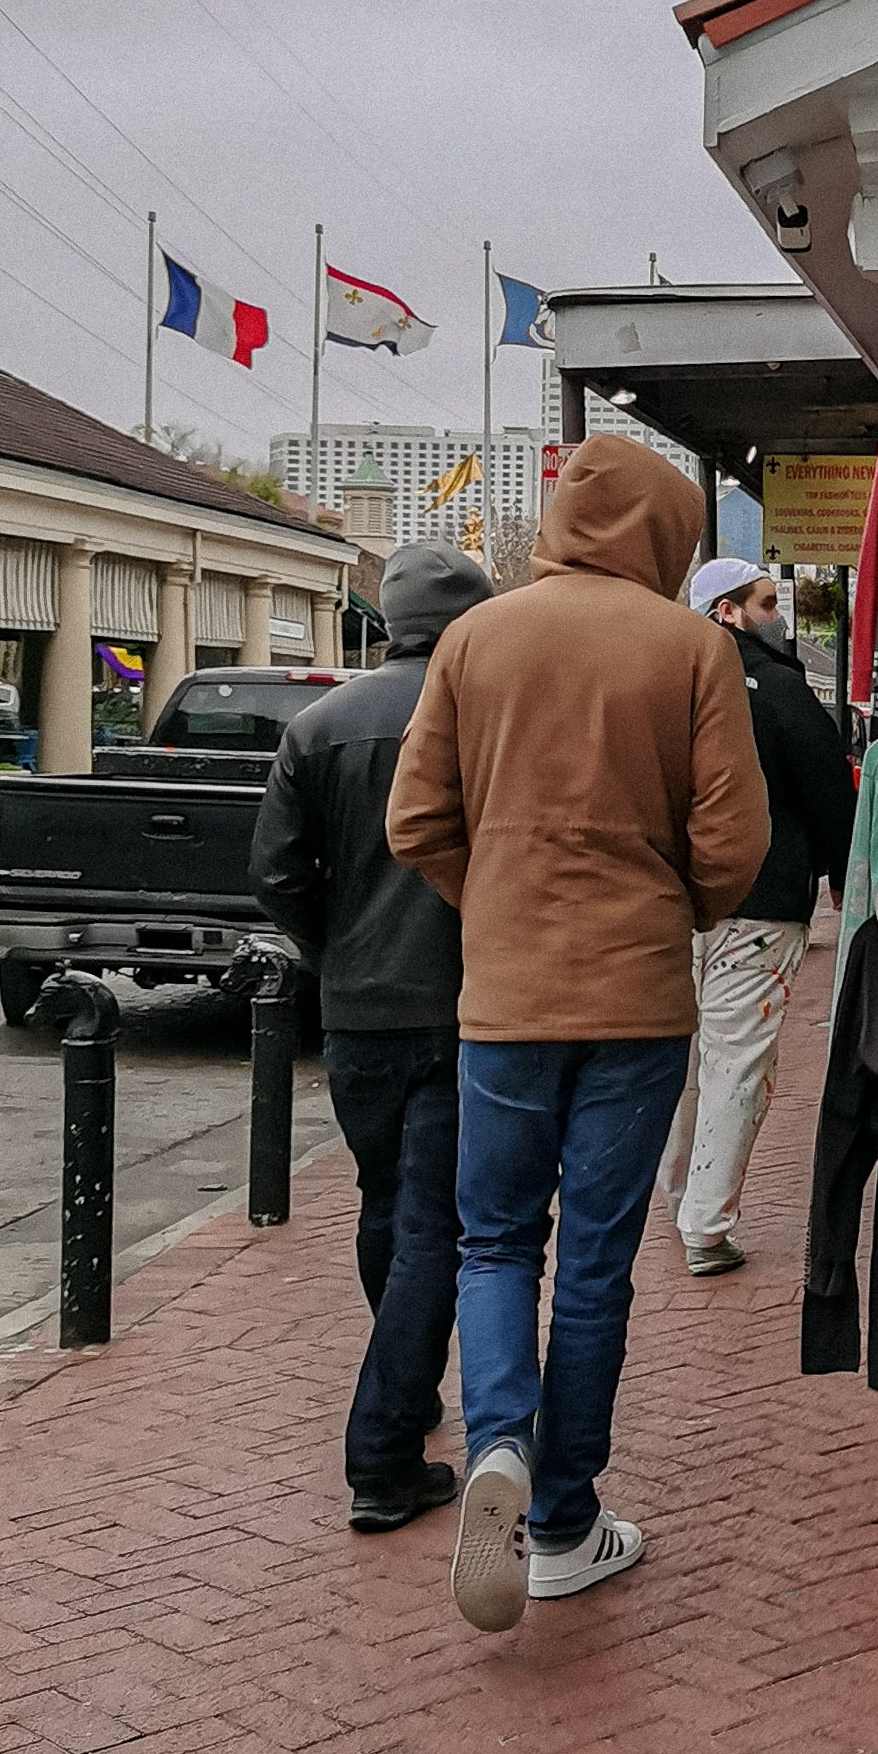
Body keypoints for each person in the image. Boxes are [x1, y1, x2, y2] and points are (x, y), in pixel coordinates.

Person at [388, 438, 768, 1633]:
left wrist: (496, 899)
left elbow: (416, 822)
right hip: (639, 999)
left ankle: (499, 1433)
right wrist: (672, 910)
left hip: (503, 1001)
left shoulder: (474, 638)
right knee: (597, 1266)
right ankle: (563, 1521)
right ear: (666, 536)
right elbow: (734, 844)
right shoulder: (692, 648)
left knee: (496, 1242)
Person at [249, 545, 493, 1533]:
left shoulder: (318, 726)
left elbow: (275, 874)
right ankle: (385, 1450)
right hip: (459, 1001)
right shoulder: (481, 716)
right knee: (436, 1221)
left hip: (357, 1010)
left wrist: (331, 947)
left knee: (386, 1201)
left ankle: (408, 1379)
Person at [673, 561, 856, 1275]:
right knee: (737, 1059)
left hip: (675, 902)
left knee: (677, 1056)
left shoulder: (669, 686)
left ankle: (678, 1200)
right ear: (730, 611)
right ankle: (706, 1224)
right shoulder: (780, 691)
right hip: (763, 901)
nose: (779, 615)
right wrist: (843, 876)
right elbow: (828, 794)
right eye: (768, 602)